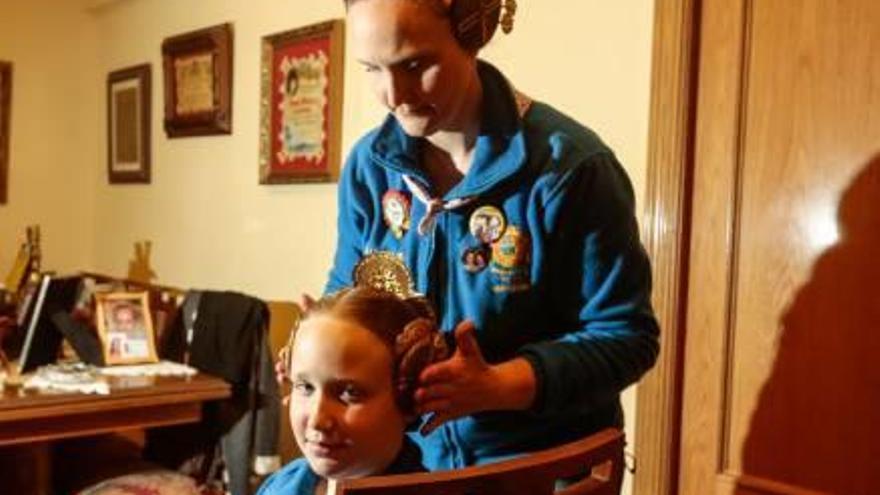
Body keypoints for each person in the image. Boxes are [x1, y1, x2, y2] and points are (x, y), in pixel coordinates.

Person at [283, 0, 660, 471]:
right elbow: (350, 300)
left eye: (415, 65)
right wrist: (318, 353)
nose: (393, 94)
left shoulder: (569, 169)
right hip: (407, 464)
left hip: (539, 471)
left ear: (473, 31)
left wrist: (499, 385)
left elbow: (627, 338)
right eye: (372, 69)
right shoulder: (369, 169)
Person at [258, 287, 448, 495]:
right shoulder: (279, 486)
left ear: (410, 397)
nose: (317, 421)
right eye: (306, 387)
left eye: (349, 393)